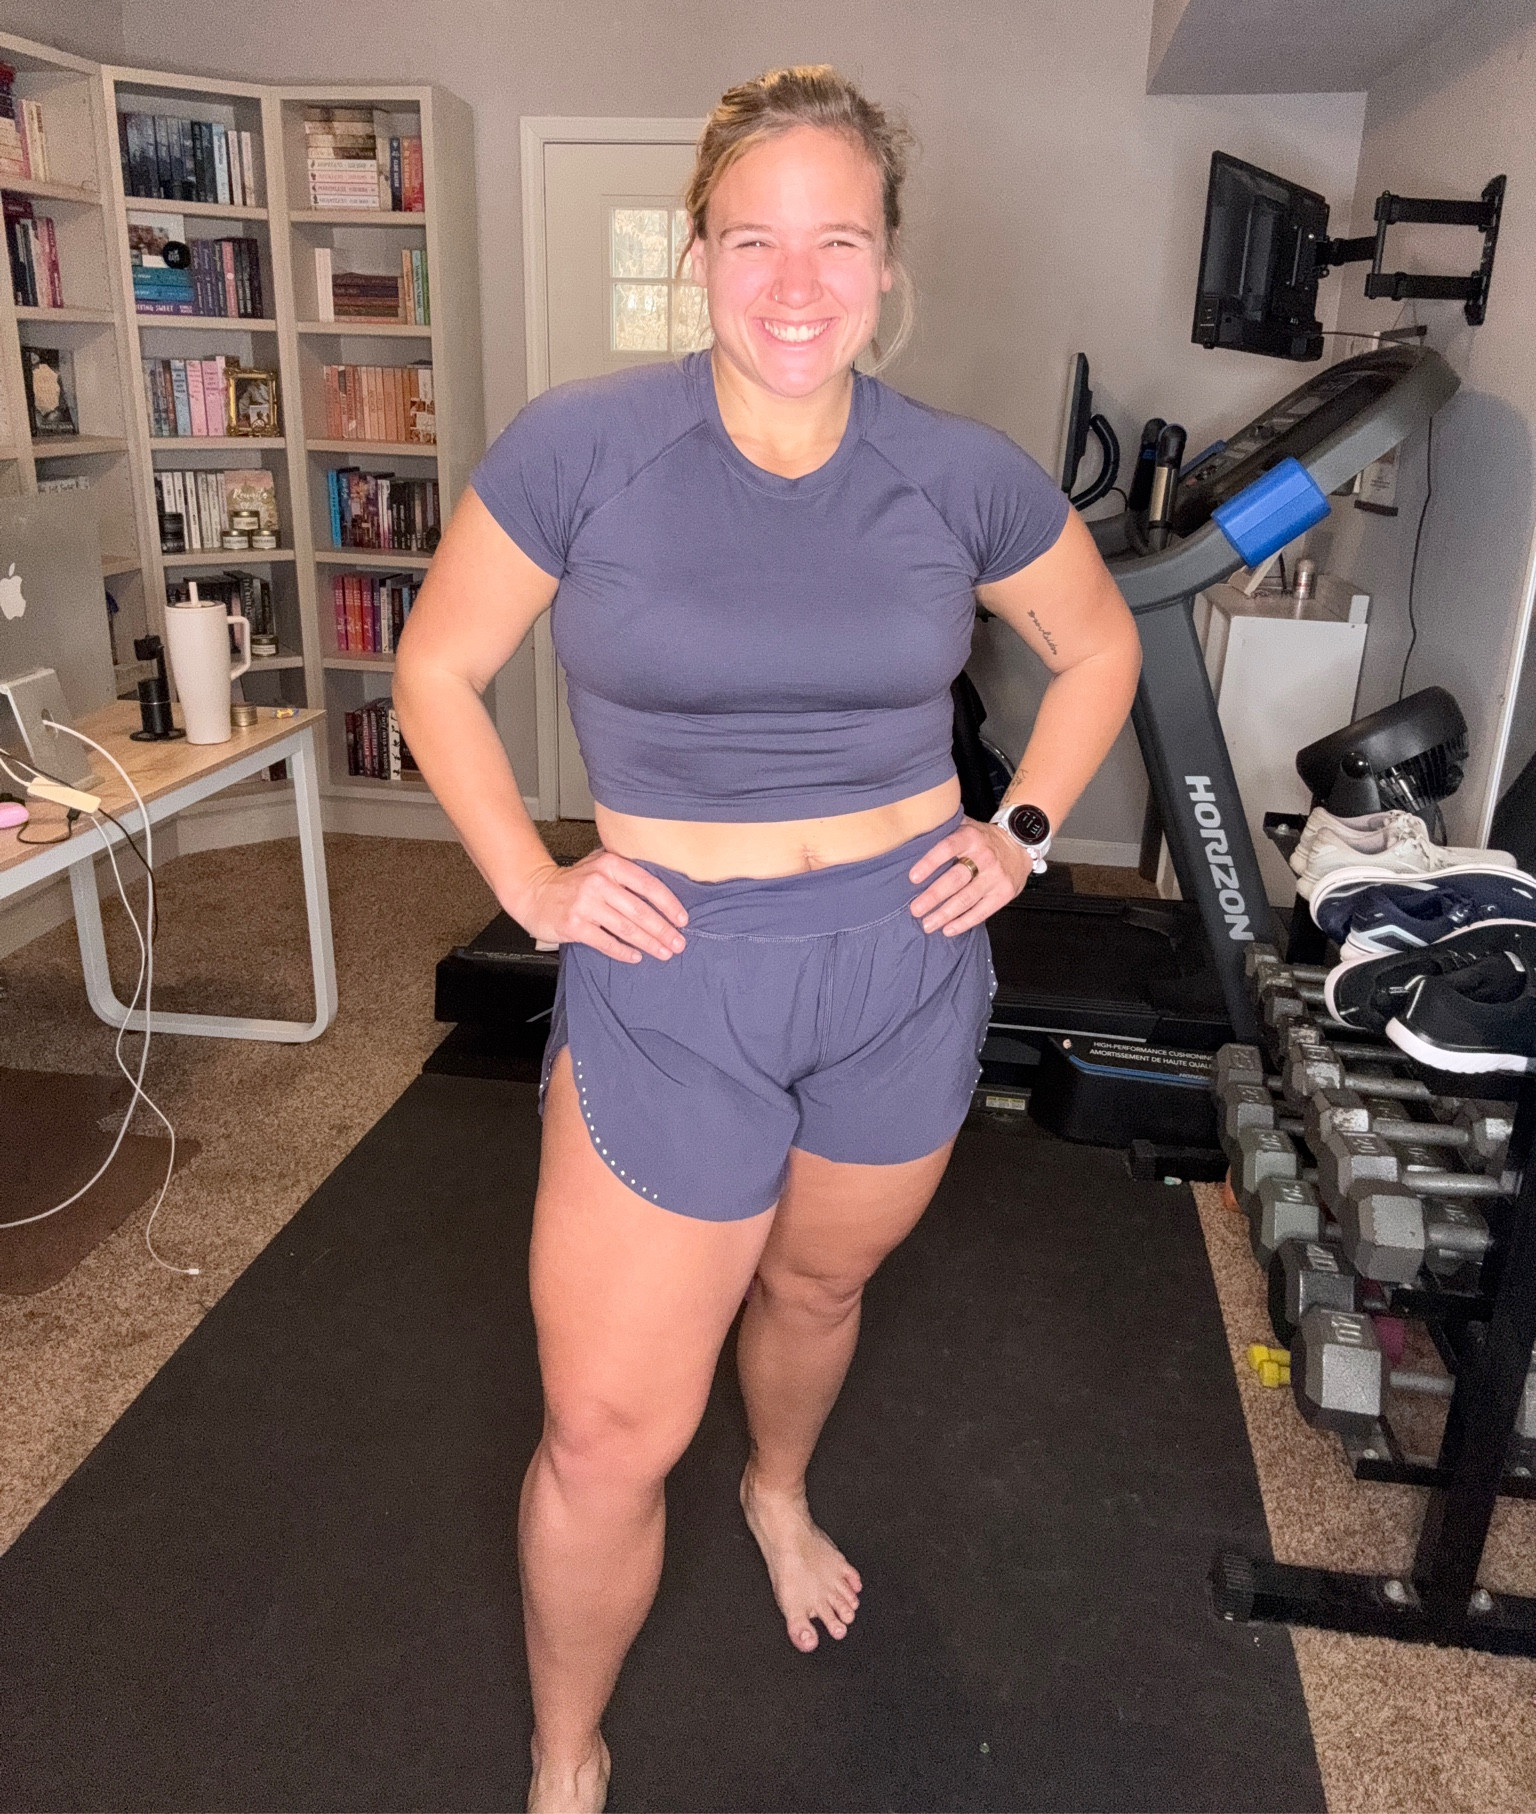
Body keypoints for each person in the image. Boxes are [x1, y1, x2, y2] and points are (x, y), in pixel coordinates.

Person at [394, 65, 1141, 1814]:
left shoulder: (954, 470)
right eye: (754, 241)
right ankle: (567, 1753)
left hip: (902, 965)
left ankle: (777, 1487)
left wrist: (1022, 832)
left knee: (816, 1285)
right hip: (674, 976)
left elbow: (1098, 646)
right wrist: (533, 884)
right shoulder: (585, 448)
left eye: (838, 241)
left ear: (888, 264)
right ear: (697, 255)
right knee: (604, 1434)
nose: (796, 283)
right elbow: (436, 667)